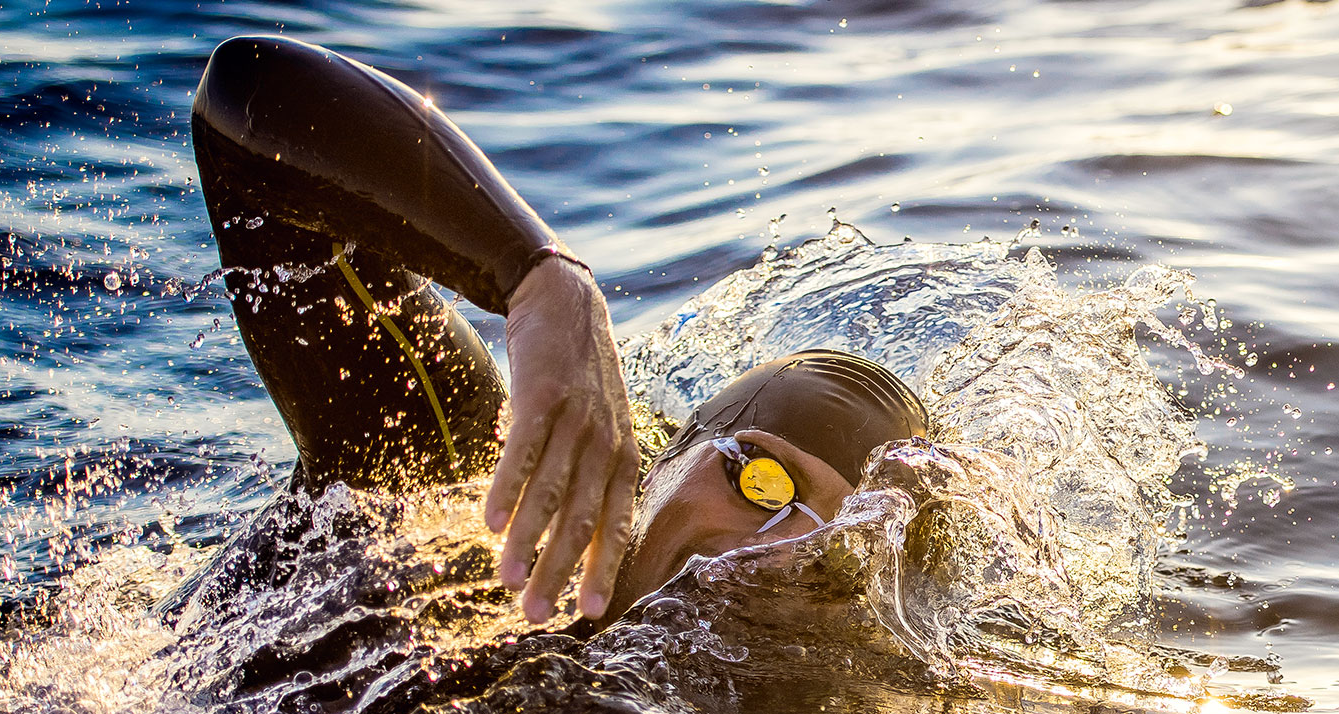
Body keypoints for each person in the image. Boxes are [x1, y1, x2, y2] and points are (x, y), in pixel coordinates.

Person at [189, 35, 927, 628]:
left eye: (834, 553)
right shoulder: (441, 494)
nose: (777, 552)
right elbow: (251, 92)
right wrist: (537, 276)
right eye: (767, 485)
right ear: (662, 457)